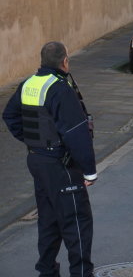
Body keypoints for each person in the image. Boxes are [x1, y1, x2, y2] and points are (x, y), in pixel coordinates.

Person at [3, 42, 96, 277]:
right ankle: (82, 272)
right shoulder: (61, 88)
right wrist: (89, 171)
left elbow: (10, 115)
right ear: (64, 61)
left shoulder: (28, 83)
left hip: (37, 160)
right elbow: (76, 132)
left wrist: (31, 141)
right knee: (76, 221)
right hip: (60, 163)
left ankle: (46, 271)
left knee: (49, 219)